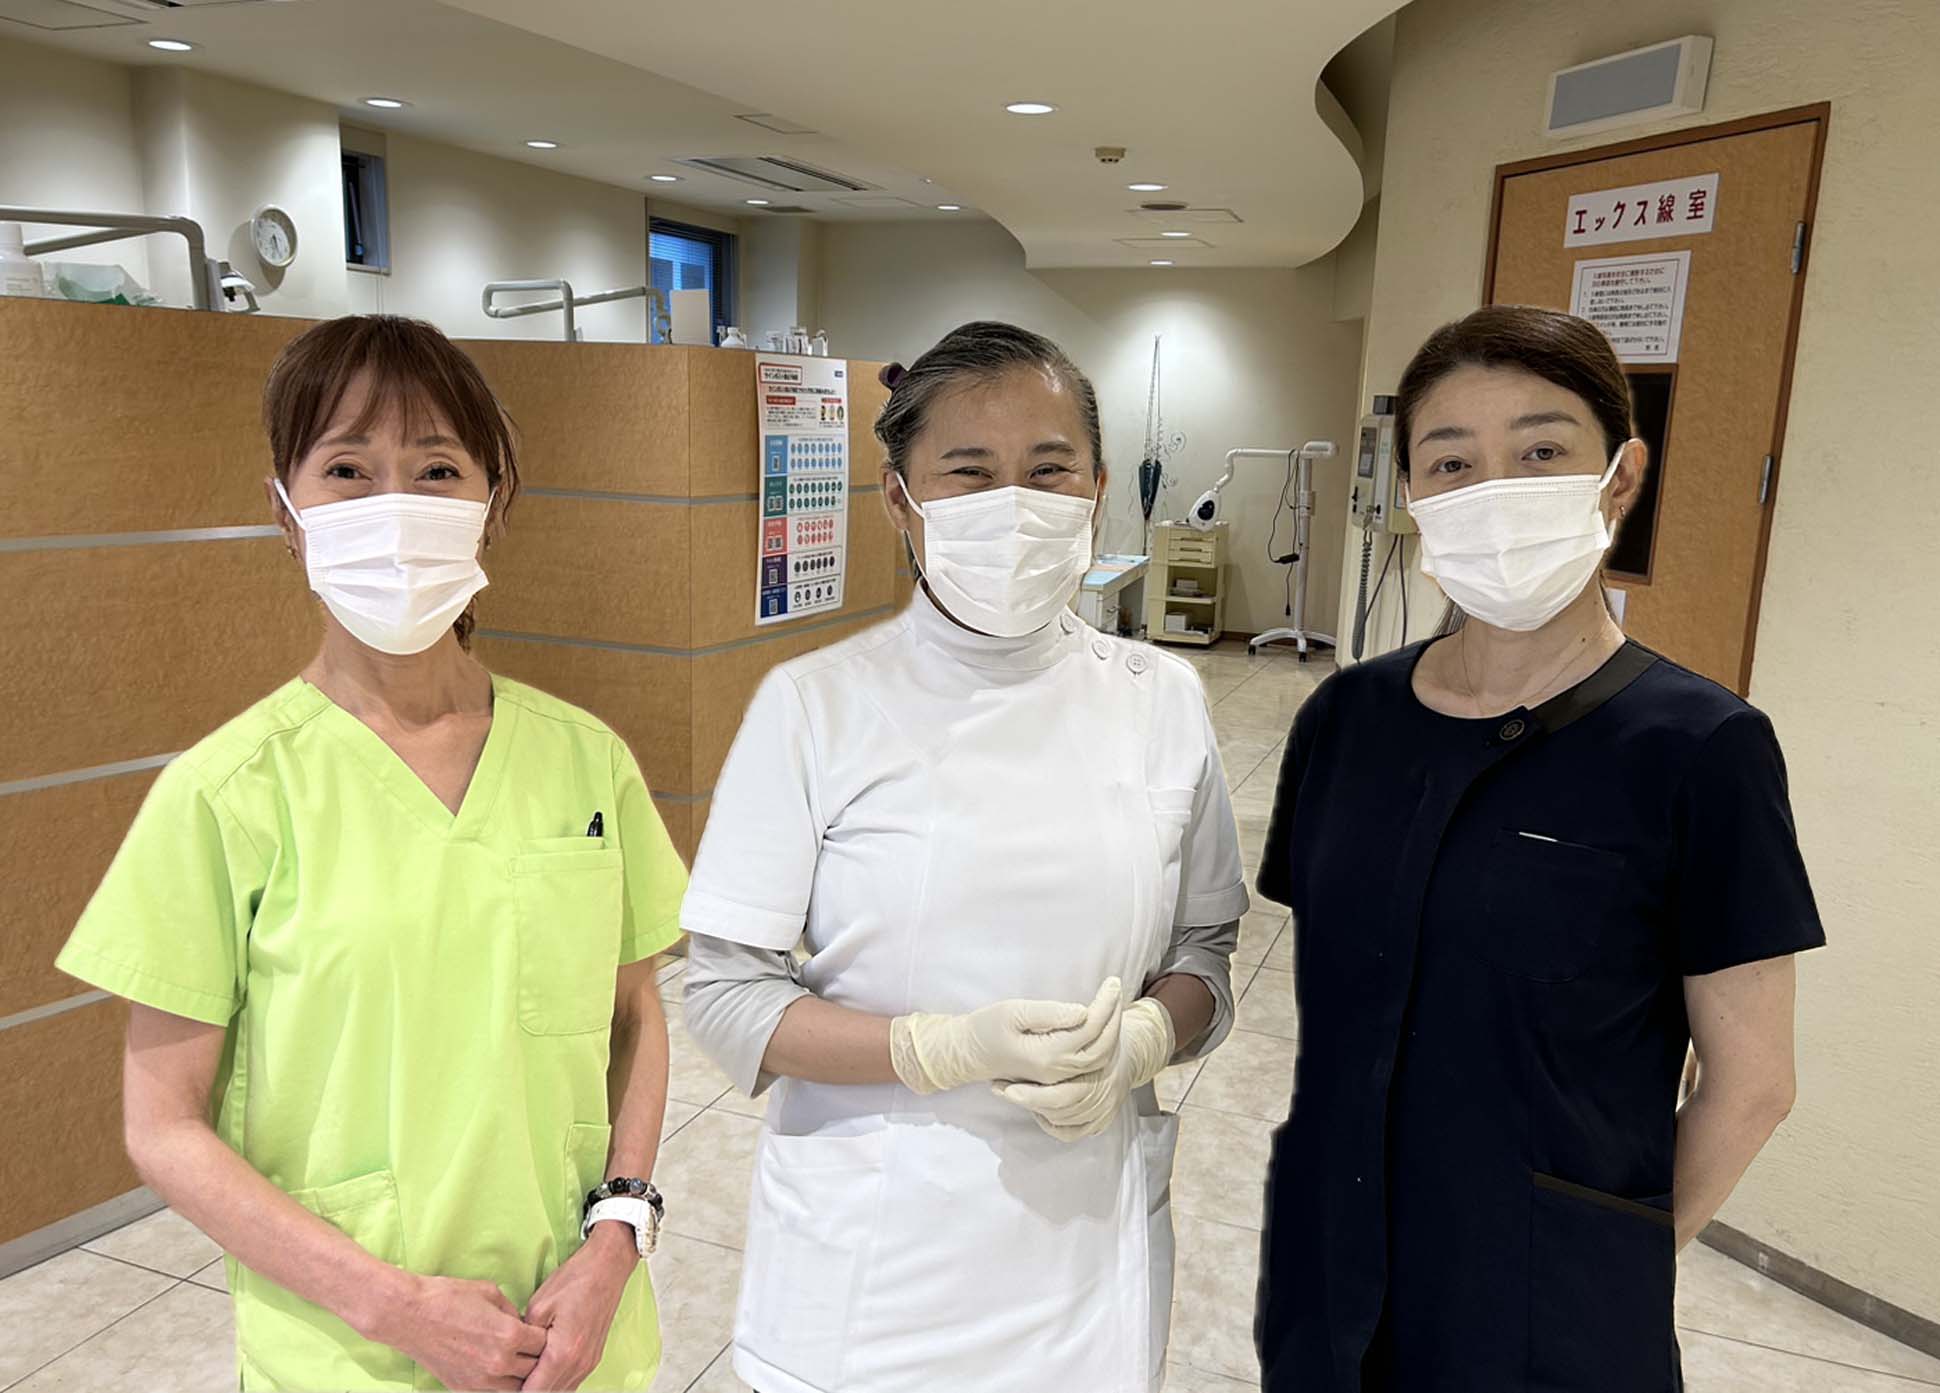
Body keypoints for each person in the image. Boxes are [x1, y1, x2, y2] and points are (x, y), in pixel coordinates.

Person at [55, 315, 687, 1393]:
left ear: (492, 501)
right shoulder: (226, 794)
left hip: (576, 1338)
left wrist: (618, 1235)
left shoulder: (587, 761)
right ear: (287, 513)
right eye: (348, 469)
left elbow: (635, 1016)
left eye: (436, 469)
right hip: (348, 1356)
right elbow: (162, 1127)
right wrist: (397, 1307)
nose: (395, 504)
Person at [1252, 305, 1825, 1393]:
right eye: (1451, 462)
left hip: (1548, 1321)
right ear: (1412, 496)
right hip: (1330, 1273)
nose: (1494, 490)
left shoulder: (1701, 748)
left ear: (1619, 478)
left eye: (1541, 452)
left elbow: (1752, 1082)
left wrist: (1601, 1265)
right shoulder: (1345, 719)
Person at [679, 321, 1249, 1393]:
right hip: (872, 1260)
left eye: (1049, 470)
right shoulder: (815, 706)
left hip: (1084, 1250)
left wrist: (1141, 1039)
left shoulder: (1161, 699)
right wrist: (932, 1048)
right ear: (899, 500)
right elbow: (725, 995)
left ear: (1095, 490)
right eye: (969, 472)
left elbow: (1205, 953)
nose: (1014, 503)